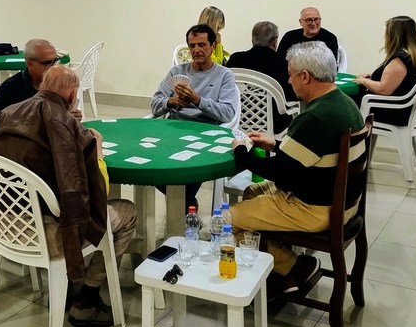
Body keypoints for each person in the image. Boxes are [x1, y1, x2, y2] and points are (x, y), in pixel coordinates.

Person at [0, 64, 137, 327]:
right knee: (126, 212)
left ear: (42, 85)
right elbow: (95, 190)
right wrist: (97, 149)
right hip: (46, 234)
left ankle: (70, 285)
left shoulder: (6, 114)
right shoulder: (65, 124)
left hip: (2, 225)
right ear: (73, 94)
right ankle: (87, 299)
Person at [231, 41, 363, 296]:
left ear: (305, 76)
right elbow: (310, 152)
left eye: (291, 75)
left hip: (314, 208)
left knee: (228, 221)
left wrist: (241, 151)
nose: (289, 81)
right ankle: (282, 272)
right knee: (251, 192)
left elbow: (279, 171)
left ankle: (292, 268)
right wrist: (275, 144)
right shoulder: (344, 103)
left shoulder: (314, 117)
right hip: (343, 200)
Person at [151, 23, 239, 209]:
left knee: (186, 176)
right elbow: (155, 105)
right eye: (192, 46)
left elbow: (227, 113)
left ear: (212, 47)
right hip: (173, 131)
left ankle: (186, 208)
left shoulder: (224, 75)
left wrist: (198, 100)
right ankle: (188, 207)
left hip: (205, 134)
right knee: (151, 169)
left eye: (202, 45)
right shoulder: (177, 72)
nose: (197, 50)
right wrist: (171, 101)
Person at [355, 16, 416, 126]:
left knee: (346, 102)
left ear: (394, 36)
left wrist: (363, 81)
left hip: (392, 111)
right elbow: (402, 81)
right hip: (405, 110)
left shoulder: (400, 60)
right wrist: (372, 78)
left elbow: (384, 90)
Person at [227, 20, 293, 131]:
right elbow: (291, 96)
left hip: (239, 119)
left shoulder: (235, 59)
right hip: (274, 124)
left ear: (253, 39)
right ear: (274, 42)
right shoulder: (283, 64)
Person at [0, 38, 60, 114]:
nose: (53, 67)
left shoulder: (58, 83)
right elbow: (5, 120)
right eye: (47, 63)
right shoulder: (10, 89)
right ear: (29, 63)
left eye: (55, 61)